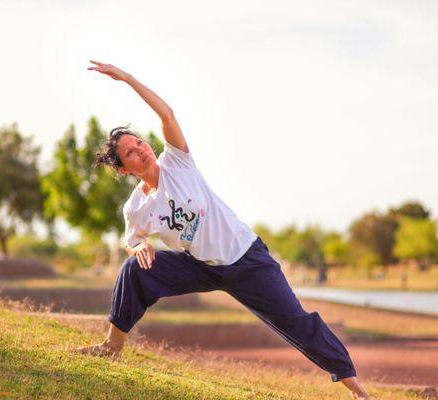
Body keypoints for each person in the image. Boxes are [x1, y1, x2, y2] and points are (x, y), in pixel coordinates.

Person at [78, 60, 370, 399]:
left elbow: (168, 115)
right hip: (200, 266)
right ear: (125, 169)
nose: (141, 150)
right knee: (135, 270)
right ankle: (112, 346)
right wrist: (138, 247)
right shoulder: (136, 207)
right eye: (131, 152)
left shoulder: (177, 162)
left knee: (296, 323)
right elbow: (133, 240)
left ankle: (358, 392)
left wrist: (127, 78)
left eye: (140, 143)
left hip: (246, 260)